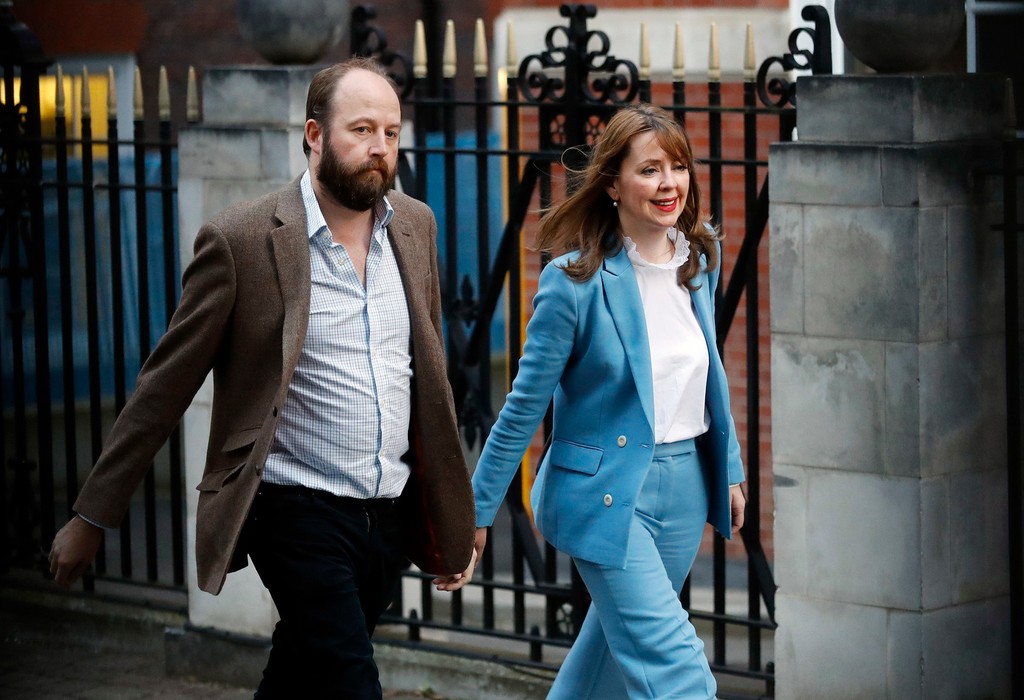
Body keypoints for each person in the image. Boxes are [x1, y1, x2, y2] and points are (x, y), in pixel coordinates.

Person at [48, 57, 476, 699]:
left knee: (300, 675)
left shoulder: (414, 226)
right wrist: (93, 515)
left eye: (390, 132)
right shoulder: (242, 240)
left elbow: (428, 381)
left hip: (385, 510)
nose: (380, 148)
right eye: (362, 129)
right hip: (296, 509)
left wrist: (454, 507)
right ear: (314, 135)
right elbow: (163, 386)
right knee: (353, 684)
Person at [437, 103, 746, 699]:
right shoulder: (573, 281)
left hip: (684, 487)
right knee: (676, 667)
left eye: (678, 167)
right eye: (649, 170)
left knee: (604, 661)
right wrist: (476, 511)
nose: (669, 184)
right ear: (612, 185)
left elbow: (709, 372)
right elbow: (524, 407)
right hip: (603, 494)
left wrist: (727, 467)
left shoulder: (698, 257)